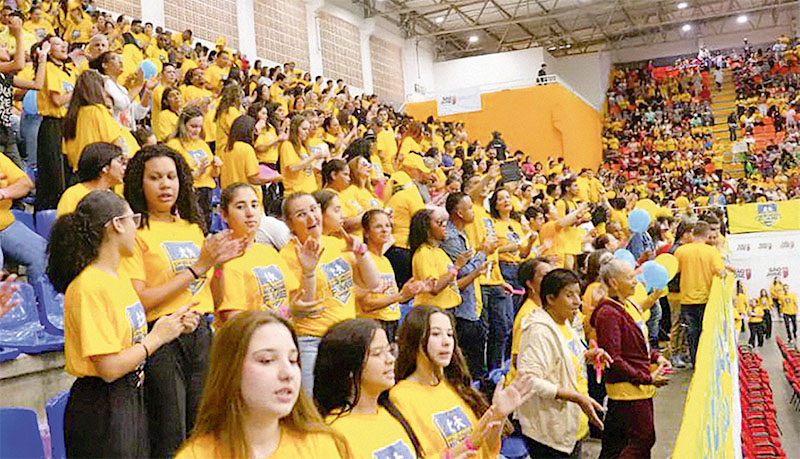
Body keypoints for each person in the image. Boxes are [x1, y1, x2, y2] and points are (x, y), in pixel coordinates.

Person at [118, 145, 245, 457]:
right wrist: (197, 267)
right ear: (139, 183)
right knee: (170, 433)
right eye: (155, 178)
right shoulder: (134, 231)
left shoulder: (191, 227)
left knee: (204, 427)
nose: (165, 185)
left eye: (171, 177)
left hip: (200, 332)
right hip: (161, 337)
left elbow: (208, 294)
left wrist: (219, 267)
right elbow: (140, 301)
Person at [48, 190, 193, 458]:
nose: (136, 230)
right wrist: (157, 338)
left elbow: (129, 344)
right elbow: (109, 367)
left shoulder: (117, 279)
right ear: (116, 224)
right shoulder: (89, 285)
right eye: (133, 220)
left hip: (129, 396)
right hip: (102, 405)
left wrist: (173, 325)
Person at [176, 311, 351, 458]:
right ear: (230, 369)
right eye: (267, 360)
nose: (287, 373)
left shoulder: (322, 446)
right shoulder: (197, 455)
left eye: (293, 360)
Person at [390, 306, 537, 458]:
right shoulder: (401, 397)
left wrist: (498, 415)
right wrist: (467, 445)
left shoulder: (455, 385)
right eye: (435, 334)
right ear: (414, 340)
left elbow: (487, 451)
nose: (446, 342)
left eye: (450, 334)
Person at [279, 192, 380, 395]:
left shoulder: (335, 244)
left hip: (347, 337)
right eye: (301, 214)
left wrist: (361, 253)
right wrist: (308, 270)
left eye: (314, 209)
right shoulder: (286, 256)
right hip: (314, 340)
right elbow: (307, 305)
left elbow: (373, 283)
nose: (311, 217)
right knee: (314, 406)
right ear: (289, 224)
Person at [515, 269, 612, 458]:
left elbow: (562, 358)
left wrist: (587, 355)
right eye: (569, 295)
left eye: (578, 294)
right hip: (549, 432)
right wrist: (576, 397)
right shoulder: (539, 331)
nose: (577, 301)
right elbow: (529, 380)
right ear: (551, 299)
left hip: (571, 427)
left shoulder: (564, 322)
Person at [591, 259, 671, 459]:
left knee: (616, 444)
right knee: (642, 439)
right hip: (627, 390)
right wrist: (647, 378)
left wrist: (656, 356)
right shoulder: (608, 313)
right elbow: (614, 358)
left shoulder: (627, 305)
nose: (636, 281)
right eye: (630, 277)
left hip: (637, 385)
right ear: (614, 282)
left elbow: (637, 342)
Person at [313, 319, 426, 458]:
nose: (390, 359)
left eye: (390, 351)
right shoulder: (334, 433)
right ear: (349, 366)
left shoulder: (391, 412)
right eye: (377, 353)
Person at [216, 183, 318, 321]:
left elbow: (301, 304)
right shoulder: (225, 261)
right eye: (240, 207)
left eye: (254, 205)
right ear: (224, 215)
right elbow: (234, 320)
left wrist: (309, 272)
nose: (250, 213)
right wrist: (286, 313)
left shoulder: (270, 253)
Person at [440, 192, 493, 382]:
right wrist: (483, 253)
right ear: (459, 213)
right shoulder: (452, 238)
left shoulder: (463, 234)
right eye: (469, 208)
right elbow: (463, 271)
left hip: (473, 301)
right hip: (463, 308)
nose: (473, 212)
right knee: (470, 364)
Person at [358, 209, 424, 342]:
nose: (385, 230)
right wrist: (400, 296)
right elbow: (367, 304)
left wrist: (408, 292)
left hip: (391, 322)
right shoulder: (364, 260)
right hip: (374, 324)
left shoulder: (385, 260)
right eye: (378, 226)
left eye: (387, 225)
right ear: (366, 232)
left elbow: (392, 298)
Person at [673, 221, 725, 365]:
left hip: (687, 299)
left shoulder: (681, 251)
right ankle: (707, 363)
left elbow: (673, 271)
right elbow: (721, 272)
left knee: (692, 334)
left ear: (693, 233)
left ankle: (696, 363)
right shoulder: (711, 252)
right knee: (707, 334)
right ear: (707, 235)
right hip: (706, 299)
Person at [61, 69, 135, 172]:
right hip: (98, 171)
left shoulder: (71, 115)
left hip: (77, 171)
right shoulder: (97, 111)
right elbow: (116, 141)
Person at [36, 35, 75, 210]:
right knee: (53, 174)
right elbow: (57, 100)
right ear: (48, 49)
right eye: (57, 44)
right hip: (53, 124)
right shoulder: (49, 68)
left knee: (67, 172)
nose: (63, 46)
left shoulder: (69, 71)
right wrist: (79, 92)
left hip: (69, 125)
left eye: (63, 43)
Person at [0, 152, 47, 286]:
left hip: (5, 225)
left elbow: (25, 183)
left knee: (42, 252)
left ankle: (37, 302)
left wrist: (4, 193)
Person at [166, 107, 221, 221]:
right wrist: (197, 172)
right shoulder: (174, 145)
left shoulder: (202, 144)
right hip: (190, 192)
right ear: (183, 125)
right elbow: (176, 175)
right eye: (193, 126)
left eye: (200, 126)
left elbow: (214, 174)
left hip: (207, 191)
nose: (197, 130)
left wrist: (216, 166)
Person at [409, 208, 465, 310]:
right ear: (427, 229)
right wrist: (456, 267)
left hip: (449, 308)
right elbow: (434, 287)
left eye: (445, 222)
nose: (444, 225)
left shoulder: (440, 252)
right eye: (439, 222)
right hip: (433, 310)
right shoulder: (423, 253)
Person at [57, 142, 127, 217]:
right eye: (120, 162)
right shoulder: (73, 195)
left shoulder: (117, 197)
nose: (124, 168)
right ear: (105, 167)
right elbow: (64, 226)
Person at [280, 115, 321, 194]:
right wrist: (313, 157)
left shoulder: (303, 147)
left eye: (308, 129)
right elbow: (293, 167)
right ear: (295, 129)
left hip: (310, 191)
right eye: (304, 129)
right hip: (296, 193)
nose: (307, 132)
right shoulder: (287, 145)